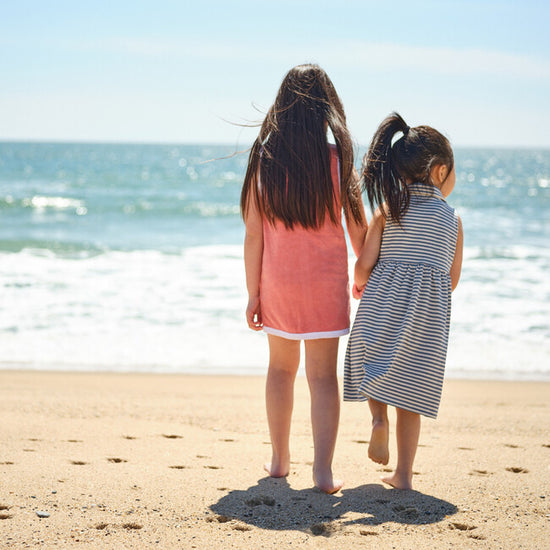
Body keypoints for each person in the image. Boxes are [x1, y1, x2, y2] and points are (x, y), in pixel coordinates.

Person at [241, 64, 367, 494]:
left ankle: (279, 459)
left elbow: (254, 234)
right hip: (324, 288)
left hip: (278, 286)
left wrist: (253, 293)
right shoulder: (339, 163)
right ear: (325, 109)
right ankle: (323, 473)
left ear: (283, 107)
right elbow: (359, 233)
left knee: (279, 370)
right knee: (322, 378)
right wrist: (363, 274)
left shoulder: (266, 161)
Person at [344, 112, 464, 490]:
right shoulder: (452, 220)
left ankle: (377, 419)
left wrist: (359, 283)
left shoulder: (388, 209)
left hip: (382, 301)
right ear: (440, 171)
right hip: (427, 317)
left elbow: (364, 263)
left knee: (370, 361)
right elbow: (451, 280)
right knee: (410, 393)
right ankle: (404, 475)